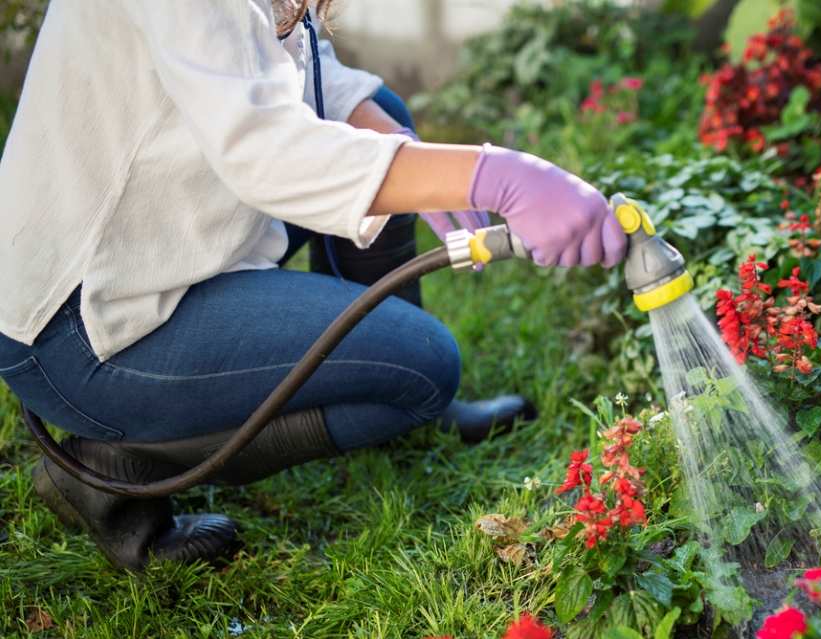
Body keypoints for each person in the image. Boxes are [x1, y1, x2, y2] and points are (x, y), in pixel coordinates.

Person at [0, 0, 628, 572]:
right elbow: (267, 153)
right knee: (425, 369)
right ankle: (113, 471)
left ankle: (389, 406)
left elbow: (286, 69)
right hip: (83, 322)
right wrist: (498, 175)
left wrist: (395, 142)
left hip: (150, 241)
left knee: (384, 123)